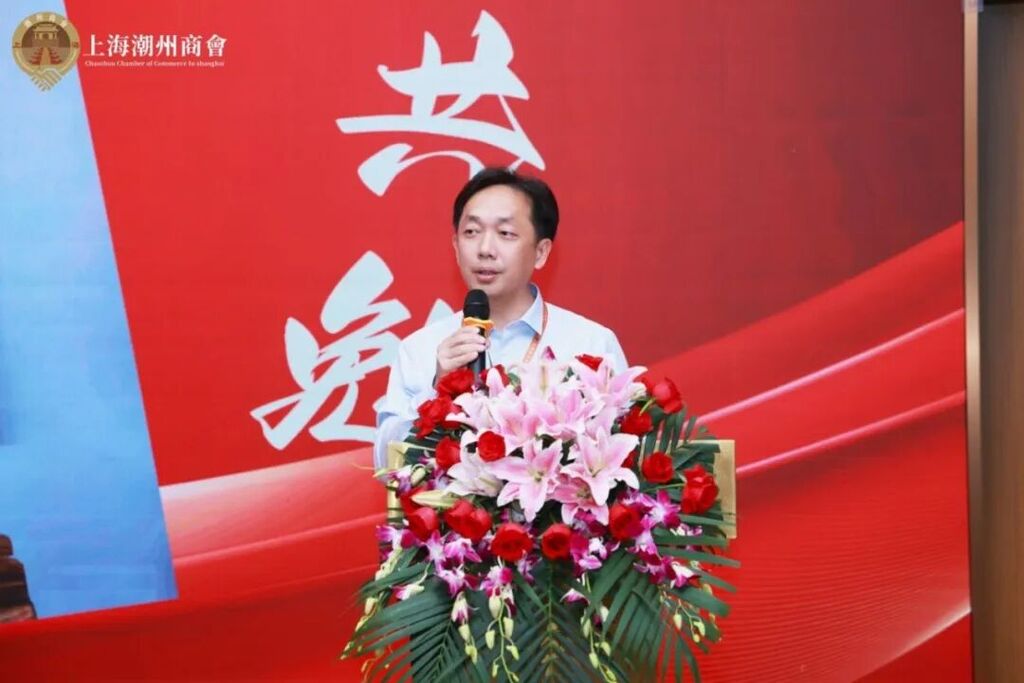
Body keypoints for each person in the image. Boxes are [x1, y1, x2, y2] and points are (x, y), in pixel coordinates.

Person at [372, 168, 627, 469]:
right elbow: (386, 464)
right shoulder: (420, 348)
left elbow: (624, 454)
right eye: (472, 232)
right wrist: (437, 390)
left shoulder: (590, 344)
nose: (485, 249)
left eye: (505, 234)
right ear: (456, 247)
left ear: (541, 252)